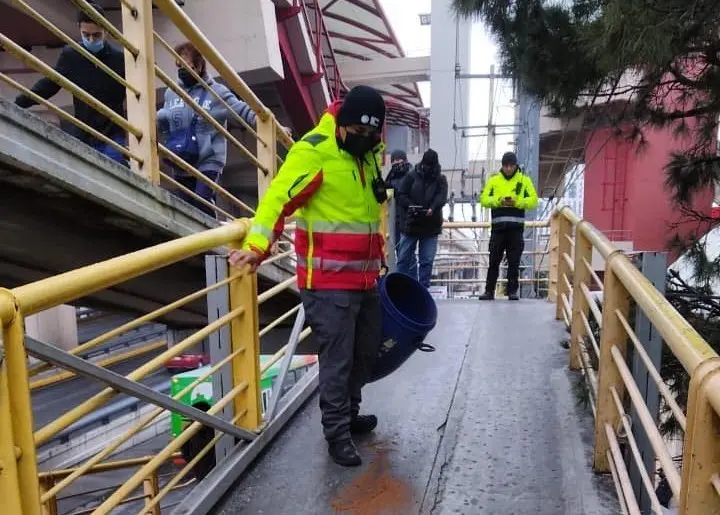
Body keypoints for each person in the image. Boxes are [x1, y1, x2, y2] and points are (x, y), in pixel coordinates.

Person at [228, 85, 388, 467]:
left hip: (365, 280)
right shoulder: (314, 151)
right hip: (327, 282)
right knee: (338, 361)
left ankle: (350, 413)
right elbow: (276, 202)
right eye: (359, 133)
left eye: (372, 135)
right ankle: (337, 434)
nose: (364, 140)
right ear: (343, 124)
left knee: (364, 353)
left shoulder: (367, 155)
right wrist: (255, 248)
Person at [15, 2, 128, 166]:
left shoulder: (119, 60)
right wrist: (20, 102)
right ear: (79, 29)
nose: (91, 39)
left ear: (106, 31)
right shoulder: (71, 55)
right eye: (86, 35)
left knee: (115, 171)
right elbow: (51, 83)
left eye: (96, 35)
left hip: (112, 133)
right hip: (83, 131)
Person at [156, 42, 259, 217]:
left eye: (186, 65)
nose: (181, 69)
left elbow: (241, 110)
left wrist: (266, 123)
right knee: (184, 206)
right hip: (182, 158)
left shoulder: (217, 92)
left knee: (201, 200)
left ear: (199, 65)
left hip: (209, 159)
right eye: (178, 65)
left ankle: (211, 236)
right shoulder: (171, 92)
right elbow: (165, 118)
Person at [478, 151, 538, 301]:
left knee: (514, 262)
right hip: (498, 229)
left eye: (511, 165)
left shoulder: (524, 181)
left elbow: (533, 200)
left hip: (516, 229)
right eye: (506, 165)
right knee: (493, 261)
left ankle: (512, 292)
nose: (509, 168)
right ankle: (489, 291)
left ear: (516, 165)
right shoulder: (494, 180)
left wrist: (517, 202)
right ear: (502, 166)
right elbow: (484, 199)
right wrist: (498, 200)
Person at [395, 149, 448, 288]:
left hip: (431, 226)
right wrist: (411, 206)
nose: (427, 168)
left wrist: (433, 207)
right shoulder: (411, 176)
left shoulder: (441, 179)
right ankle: (399, 286)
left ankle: (423, 288)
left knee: (427, 260)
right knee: (403, 258)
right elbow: (401, 195)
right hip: (412, 223)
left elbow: (441, 197)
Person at [385, 149, 412, 242]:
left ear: (404, 161)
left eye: (398, 160)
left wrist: (391, 185)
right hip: (395, 218)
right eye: (393, 161)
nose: (396, 163)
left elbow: (403, 186)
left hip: (407, 219)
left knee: (405, 251)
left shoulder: (411, 173)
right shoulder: (392, 174)